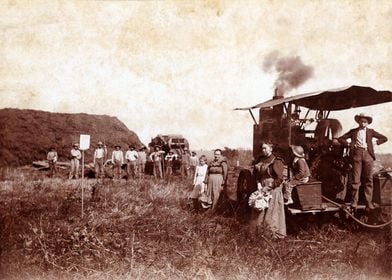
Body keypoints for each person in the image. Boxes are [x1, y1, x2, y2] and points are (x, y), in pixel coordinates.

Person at [338, 113, 387, 209]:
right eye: (361, 121)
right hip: (356, 156)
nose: (363, 123)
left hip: (368, 156)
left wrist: (376, 142)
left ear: (368, 123)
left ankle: (368, 202)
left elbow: (384, 138)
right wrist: (349, 144)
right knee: (356, 180)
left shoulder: (371, 132)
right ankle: (354, 202)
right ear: (358, 122)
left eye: (365, 122)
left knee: (368, 179)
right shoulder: (353, 131)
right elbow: (341, 139)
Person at [250, 142, 286, 239]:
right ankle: (258, 234)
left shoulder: (276, 161)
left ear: (271, 149)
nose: (263, 150)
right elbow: (257, 175)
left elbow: (280, 179)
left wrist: (269, 187)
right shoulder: (261, 160)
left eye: (265, 148)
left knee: (271, 212)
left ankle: (271, 235)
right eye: (262, 148)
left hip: (273, 189)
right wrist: (258, 183)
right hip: (262, 186)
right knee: (259, 208)